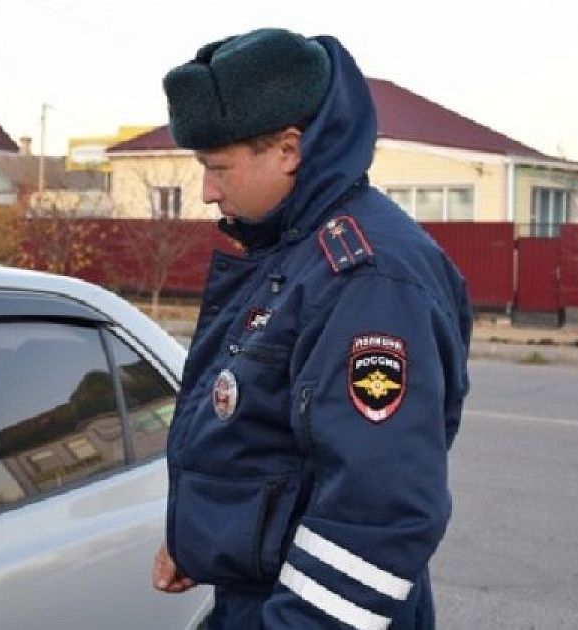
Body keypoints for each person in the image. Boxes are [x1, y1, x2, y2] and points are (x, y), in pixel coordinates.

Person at [151, 28, 472, 629]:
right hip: (257, 596)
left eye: (217, 167)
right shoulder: (292, 248)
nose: (205, 190)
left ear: (289, 151)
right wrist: (207, 538)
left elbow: (377, 514)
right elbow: (262, 434)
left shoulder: (367, 280)